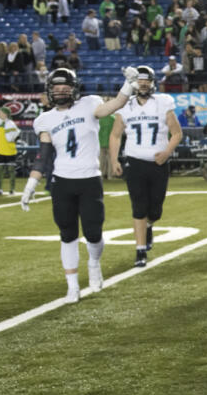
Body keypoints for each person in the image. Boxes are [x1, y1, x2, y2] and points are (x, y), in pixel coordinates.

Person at [20, 68, 137, 303]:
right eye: (57, 88)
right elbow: (43, 155)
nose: (61, 92)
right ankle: (72, 286)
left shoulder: (89, 104)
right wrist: (31, 184)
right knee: (67, 234)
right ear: (50, 91)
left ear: (74, 89)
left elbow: (114, 105)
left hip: (89, 179)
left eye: (65, 88)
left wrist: (129, 84)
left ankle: (94, 263)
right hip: (62, 182)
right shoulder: (45, 119)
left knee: (94, 234)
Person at [108, 66, 182, 268]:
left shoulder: (163, 103)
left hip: (158, 163)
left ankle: (149, 225)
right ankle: (140, 250)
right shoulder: (125, 106)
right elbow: (115, 135)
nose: (142, 84)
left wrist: (167, 152)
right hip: (134, 161)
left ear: (152, 82)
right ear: (134, 83)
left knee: (155, 210)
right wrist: (114, 161)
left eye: (146, 80)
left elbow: (177, 133)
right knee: (139, 206)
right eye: (139, 81)